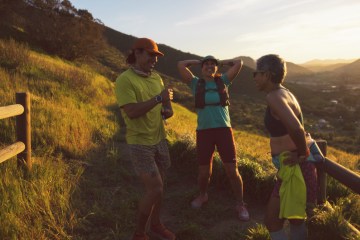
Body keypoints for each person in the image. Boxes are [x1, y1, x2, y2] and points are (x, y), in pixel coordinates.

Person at [115, 37, 175, 240]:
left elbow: (163, 107)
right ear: (137, 53)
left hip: (159, 139)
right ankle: (139, 233)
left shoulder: (156, 78)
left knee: (160, 187)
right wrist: (159, 98)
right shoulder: (125, 80)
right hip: (140, 143)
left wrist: (167, 108)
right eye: (151, 55)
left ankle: (156, 224)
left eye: (156, 56)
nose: (155, 60)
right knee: (155, 188)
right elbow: (131, 111)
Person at [177, 55, 250, 221]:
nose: (209, 67)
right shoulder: (195, 83)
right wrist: (199, 62)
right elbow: (181, 64)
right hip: (204, 132)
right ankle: (203, 195)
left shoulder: (224, 81)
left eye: (212, 65)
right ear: (202, 68)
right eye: (206, 65)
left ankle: (240, 203)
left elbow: (239, 63)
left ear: (217, 68)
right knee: (203, 172)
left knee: (232, 170)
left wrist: (220, 62)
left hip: (223, 130)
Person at [253, 54, 317, 240]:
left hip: (295, 166)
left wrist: (303, 154)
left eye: (256, 73)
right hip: (293, 166)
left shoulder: (274, 96)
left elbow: (297, 128)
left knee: (275, 220)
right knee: (293, 219)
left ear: (267, 74)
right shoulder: (285, 92)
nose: (254, 78)